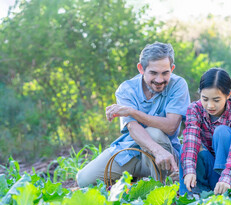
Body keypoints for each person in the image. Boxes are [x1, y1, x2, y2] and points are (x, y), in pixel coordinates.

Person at [76, 42, 190, 187]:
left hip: (165, 155)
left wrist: (133, 112)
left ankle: (160, 189)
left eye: (165, 73)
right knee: (84, 180)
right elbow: (133, 128)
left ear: (172, 69)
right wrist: (155, 149)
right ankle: (131, 179)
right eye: (153, 73)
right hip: (131, 151)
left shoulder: (178, 85)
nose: (160, 79)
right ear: (141, 69)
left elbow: (171, 126)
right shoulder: (126, 89)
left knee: (154, 133)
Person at [179, 68, 231, 195]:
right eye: (205, 99)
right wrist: (189, 170)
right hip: (216, 173)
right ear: (199, 93)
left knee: (222, 132)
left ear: (228, 95)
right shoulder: (194, 109)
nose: (210, 105)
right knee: (186, 148)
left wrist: (227, 178)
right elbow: (191, 140)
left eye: (216, 100)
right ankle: (193, 194)